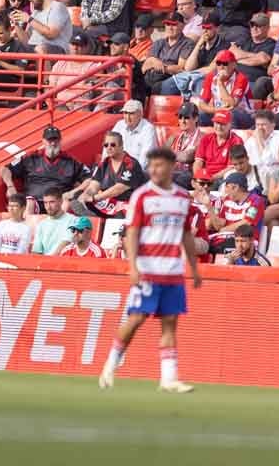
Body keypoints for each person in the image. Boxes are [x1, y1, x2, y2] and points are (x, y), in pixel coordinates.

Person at [99, 147, 200, 393]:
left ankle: (168, 378)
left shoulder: (183, 198)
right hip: (148, 269)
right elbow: (131, 233)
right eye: (151, 165)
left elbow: (186, 234)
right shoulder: (142, 196)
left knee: (170, 323)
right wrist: (132, 266)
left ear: (171, 166)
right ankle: (110, 365)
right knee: (136, 318)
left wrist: (194, 268)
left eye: (158, 165)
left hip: (173, 271)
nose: (153, 170)